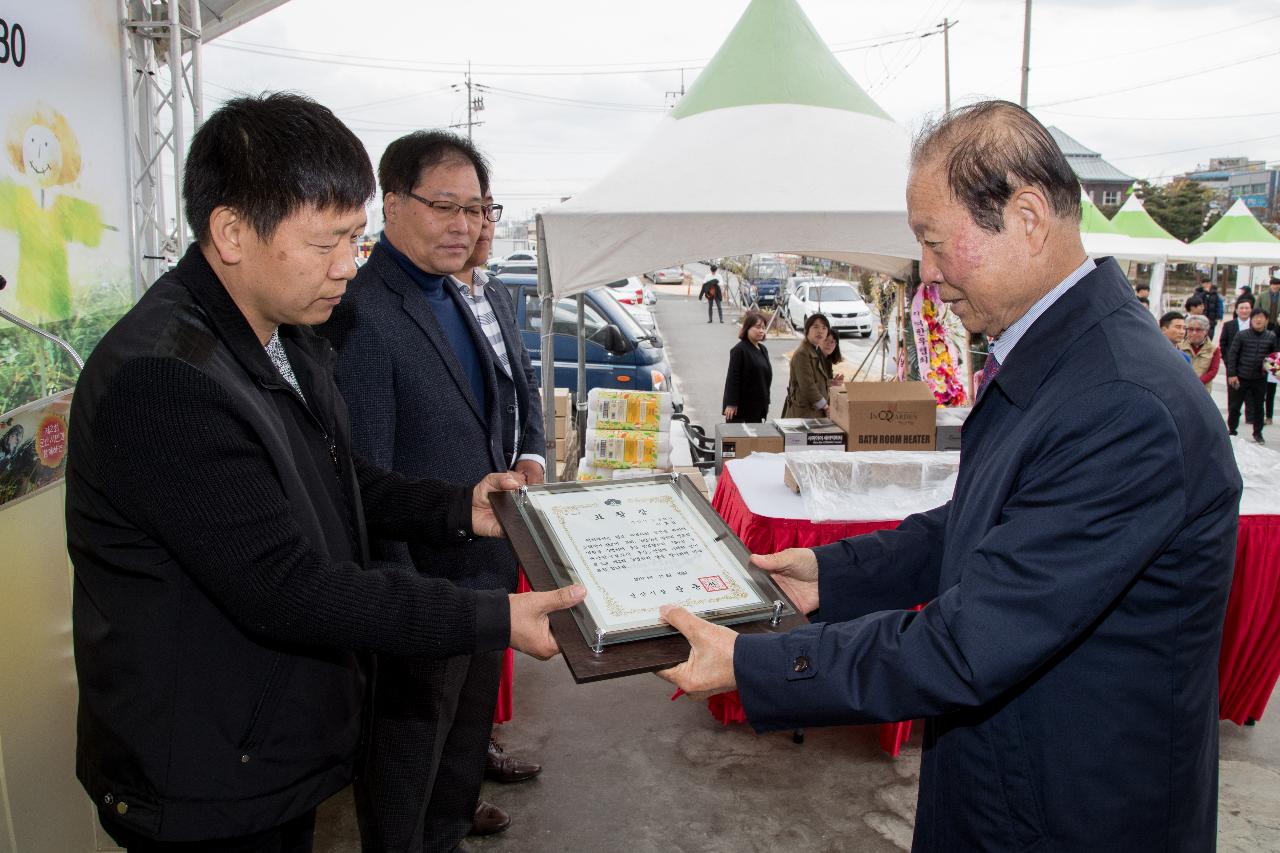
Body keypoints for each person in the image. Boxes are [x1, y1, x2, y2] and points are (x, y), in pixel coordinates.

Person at [659, 100, 1239, 852]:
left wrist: (756, 663)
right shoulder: (1060, 355)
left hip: (1073, 813)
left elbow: (969, 642)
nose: (927, 274)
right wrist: (828, 574)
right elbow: (982, 524)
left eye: (935, 243)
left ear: (1027, 217)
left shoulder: (1123, 405)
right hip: (1006, 784)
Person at [65, 93, 584, 852]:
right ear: (232, 232)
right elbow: (288, 586)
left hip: (266, 742)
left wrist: (459, 506)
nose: (349, 265)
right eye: (326, 242)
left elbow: (343, 481)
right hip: (204, 771)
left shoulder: (284, 333)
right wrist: (492, 618)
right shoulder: (165, 379)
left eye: (354, 236)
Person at [318, 131, 541, 853]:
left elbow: (491, 415)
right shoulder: (360, 309)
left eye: (475, 208)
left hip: (482, 579)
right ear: (391, 204)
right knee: (403, 777)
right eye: (444, 205)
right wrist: (400, 604)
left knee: (459, 760)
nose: (464, 224)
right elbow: (363, 479)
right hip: (416, 595)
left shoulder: (455, 292)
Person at [1226, 308, 1279, 444]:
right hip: (1240, 377)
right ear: (1251, 319)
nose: (1258, 320)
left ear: (1266, 320)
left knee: (1258, 408)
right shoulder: (1241, 335)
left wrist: (1274, 371)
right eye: (1255, 317)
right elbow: (1232, 355)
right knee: (1234, 407)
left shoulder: (1271, 337)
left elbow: (1274, 358)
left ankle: (1258, 433)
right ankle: (1231, 431)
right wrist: (1232, 374)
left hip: (1259, 378)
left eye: (1261, 317)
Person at [722, 309, 772, 423]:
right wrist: (731, 403)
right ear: (747, 328)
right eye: (758, 327)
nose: (761, 331)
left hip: (758, 407)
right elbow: (733, 378)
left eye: (763, 328)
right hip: (742, 409)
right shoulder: (739, 350)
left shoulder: (763, 349)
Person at [780, 313, 832, 418]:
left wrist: (831, 382)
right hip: (805, 413)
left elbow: (818, 379)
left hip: (814, 411)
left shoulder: (816, 350)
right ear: (807, 330)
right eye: (815, 327)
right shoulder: (802, 353)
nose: (820, 331)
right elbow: (807, 385)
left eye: (824, 328)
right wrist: (825, 406)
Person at [1223, 298, 1253, 435]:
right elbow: (1223, 344)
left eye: (1247, 308)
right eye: (1242, 308)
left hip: (1251, 368)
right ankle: (1232, 425)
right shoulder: (1229, 325)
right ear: (1236, 310)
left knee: (1252, 396)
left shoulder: (1256, 325)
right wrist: (1228, 362)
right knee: (1234, 398)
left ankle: (1251, 418)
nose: (1244, 310)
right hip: (1233, 367)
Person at [1178, 315, 1219, 391]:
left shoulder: (1214, 349)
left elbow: (1213, 370)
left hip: (1202, 388)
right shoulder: (1179, 346)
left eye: (1198, 330)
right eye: (1190, 329)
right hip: (1182, 387)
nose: (1194, 333)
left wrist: (1197, 383)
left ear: (1206, 331)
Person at [1260, 278, 1280, 424]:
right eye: (1273, 284)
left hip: (1275, 349)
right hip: (1268, 353)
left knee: (1271, 388)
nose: (1275, 287)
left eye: (1277, 285)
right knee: (1263, 388)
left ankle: (1269, 415)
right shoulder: (1263, 296)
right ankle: (1259, 414)